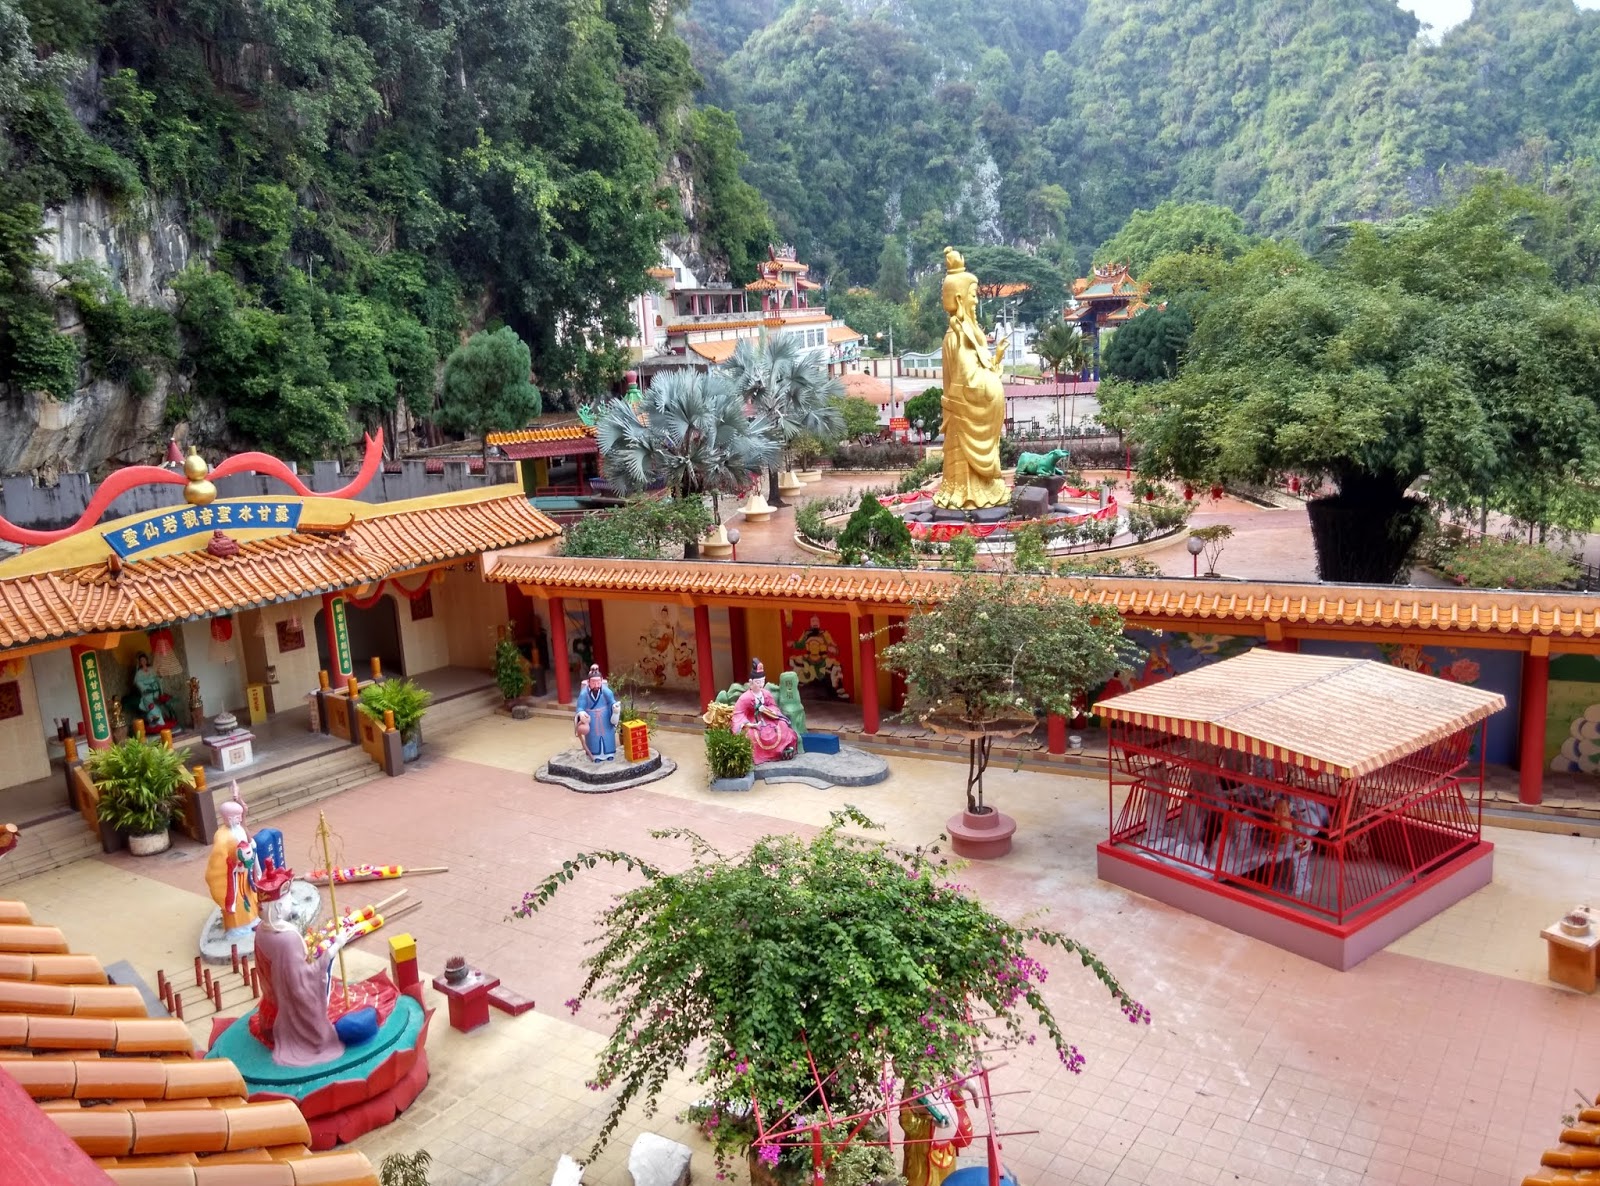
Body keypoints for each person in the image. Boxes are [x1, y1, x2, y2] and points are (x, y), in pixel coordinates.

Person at [250, 862, 356, 1067]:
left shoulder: (262, 930)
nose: (292, 901)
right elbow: (303, 985)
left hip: (268, 1011)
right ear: (277, 907)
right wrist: (335, 947)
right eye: (288, 898)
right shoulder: (286, 940)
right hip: (286, 1020)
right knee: (326, 979)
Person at [933, 247, 1008, 510]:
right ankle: (968, 494)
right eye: (973, 295)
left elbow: (979, 370)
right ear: (960, 298)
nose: (976, 302)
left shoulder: (967, 334)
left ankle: (980, 489)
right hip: (963, 417)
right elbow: (969, 382)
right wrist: (991, 386)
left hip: (965, 415)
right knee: (963, 476)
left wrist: (996, 358)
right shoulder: (957, 337)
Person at [205, 785, 258, 939]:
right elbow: (217, 865)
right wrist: (236, 866)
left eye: (240, 816)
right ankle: (238, 929)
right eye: (238, 816)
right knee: (238, 902)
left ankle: (253, 921)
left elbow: (248, 840)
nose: (240, 819)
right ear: (228, 818)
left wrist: (238, 798)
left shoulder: (239, 828)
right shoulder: (222, 837)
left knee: (249, 896)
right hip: (232, 878)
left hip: (245, 873)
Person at [731, 659, 799, 763]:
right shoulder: (745, 698)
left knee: (783, 726)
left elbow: (773, 706)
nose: (761, 684)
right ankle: (758, 756)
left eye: (763, 681)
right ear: (751, 682)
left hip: (768, 719)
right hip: (753, 721)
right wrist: (750, 724)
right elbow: (738, 713)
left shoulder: (766, 694)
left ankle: (782, 750)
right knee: (750, 735)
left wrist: (766, 710)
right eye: (758, 682)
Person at [574, 664, 620, 762]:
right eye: (593, 682)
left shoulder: (606, 691)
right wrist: (581, 713)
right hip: (591, 718)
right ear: (588, 682)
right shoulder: (584, 693)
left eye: (598, 682)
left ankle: (609, 753)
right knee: (593, 737)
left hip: (605, 717)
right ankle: (595, 755)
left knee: (608, 735)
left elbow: (612, 702)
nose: (596, 685)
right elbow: (580, 707)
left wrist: (615, 708)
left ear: (602, 680)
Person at [133, 653, 168, 728]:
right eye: (141, 660)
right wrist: (145, 688)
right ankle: (158, 723)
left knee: (156, 705)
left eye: (144, 660)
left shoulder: (152, 669)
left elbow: (157, 678)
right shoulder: (139, 673)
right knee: (151, 706)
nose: (143, 661)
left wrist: (160, 677)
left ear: (146, 660)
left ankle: (155, 723)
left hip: (155, 691)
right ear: (139, 662)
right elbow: (137, 682)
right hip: (147, 693)